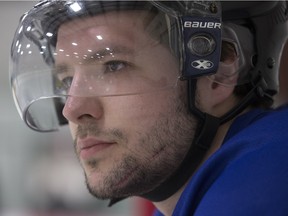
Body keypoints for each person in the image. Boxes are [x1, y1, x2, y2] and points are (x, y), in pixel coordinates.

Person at [9, 1, 288, 215]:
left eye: (113, 66)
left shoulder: (263, 183)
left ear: (217, 71)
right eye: (67, 80)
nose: (71, 109)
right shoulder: (198, 191)